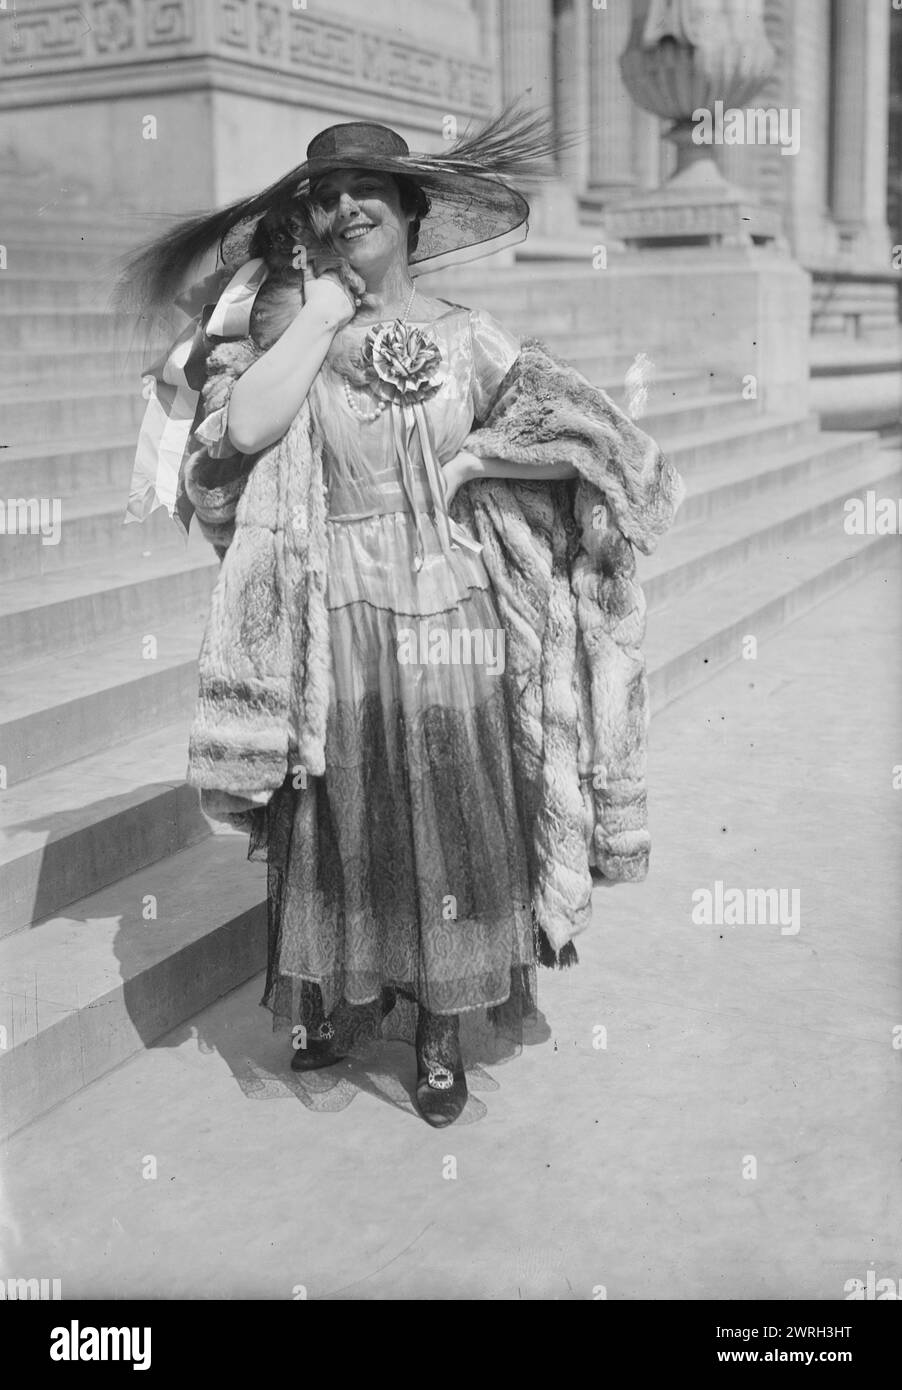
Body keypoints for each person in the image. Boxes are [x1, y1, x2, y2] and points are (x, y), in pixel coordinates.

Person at [119, 112, 684, 1128]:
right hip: (334, 607)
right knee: (344, 813)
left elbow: (598, 438)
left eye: (367, 192)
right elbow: (242, 427)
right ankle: (348, 997)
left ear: (410, 212)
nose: (346, 209)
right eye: (328, 197)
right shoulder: (295, 334)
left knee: (446, 815)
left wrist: (481, 460)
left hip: (449, 608)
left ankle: (437, 1029)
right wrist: (319, 315)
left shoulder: (469, 336)